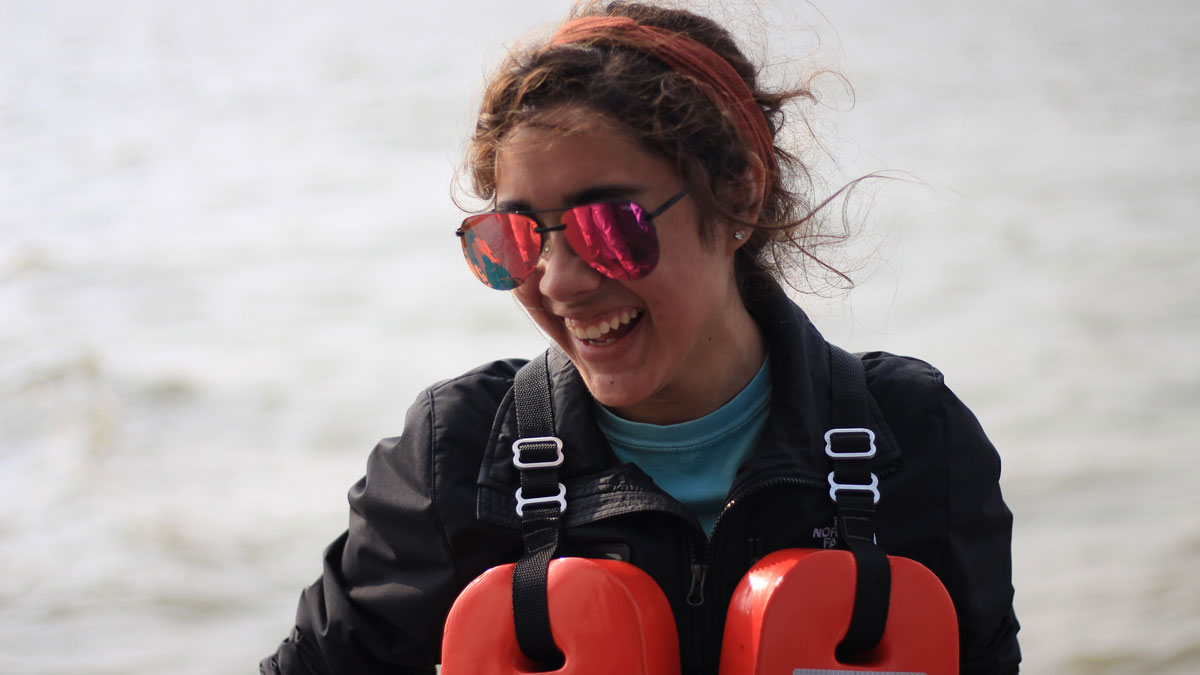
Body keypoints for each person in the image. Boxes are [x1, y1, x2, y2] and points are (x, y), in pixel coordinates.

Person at [261, 2, 1021, 673]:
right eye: (516, 238)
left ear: (740, 197)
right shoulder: (455, 454)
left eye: (609, 226)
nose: (558, 281)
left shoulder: (914, 441)